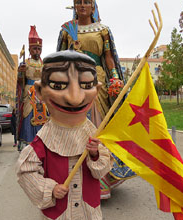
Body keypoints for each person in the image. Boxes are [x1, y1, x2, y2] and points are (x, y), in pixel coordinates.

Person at [16, 50, 112, 220]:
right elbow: (26, 173)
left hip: (88, 216)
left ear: (96, 90)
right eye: (58, 85)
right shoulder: (43, 141)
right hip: (59, 219)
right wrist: (49, 189)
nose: (74, 98)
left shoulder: (94, 136)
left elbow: (102, 170)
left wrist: (95, 156)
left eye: (86, 85)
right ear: (39, 91)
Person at [57, 0, 136, 199]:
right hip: (73, 80)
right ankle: (73, 178)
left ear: (93, 6)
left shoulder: (103, 30)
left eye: (86, 2)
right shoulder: (67, 31)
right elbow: (60, 59)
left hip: (97, 80)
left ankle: (102, 179)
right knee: (73, 127)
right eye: (78, 2)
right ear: (74, 6)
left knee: (97, 126)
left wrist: (115, 77)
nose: (82, 5)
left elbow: (108, 57)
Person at [16, 26, 48, 152]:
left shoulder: (44, 64)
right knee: (29, 116)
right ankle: (29, 144)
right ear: (29, 49)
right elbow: (20, 82)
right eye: (34, 48)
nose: (37, 51)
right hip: (29, 94)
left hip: (42, 93)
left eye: (39, 49)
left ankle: (45, 143)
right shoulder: (25, 63)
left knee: (46, 116)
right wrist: (20, 73)